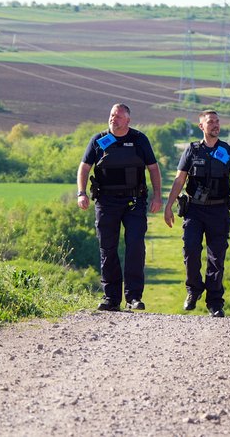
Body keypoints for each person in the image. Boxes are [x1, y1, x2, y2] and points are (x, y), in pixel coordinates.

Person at [77, 103, 163, 312]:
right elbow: (84, 167)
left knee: (135, 246)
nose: (113, 119)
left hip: (134, 202)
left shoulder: (139, 139)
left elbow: (153, 168)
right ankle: (111, 298)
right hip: (106, 202)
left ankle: (133, 297)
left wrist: (158, 196)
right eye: (111, 115)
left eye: (118, 116)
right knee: (108, 248)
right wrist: (81, 193)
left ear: (127, 121)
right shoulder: (98, 140)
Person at [164, 110, 230, 318]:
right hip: (195, 210)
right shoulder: (192, 151)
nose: (215, 125)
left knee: (217, 258)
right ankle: (193, 290)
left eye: (217, 121)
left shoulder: (229, 151)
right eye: (210, 122)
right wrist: (168, 206)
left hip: (219, 210)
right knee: (190, 250)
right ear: (202, 126)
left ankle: (215, 302)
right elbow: (179, 180)